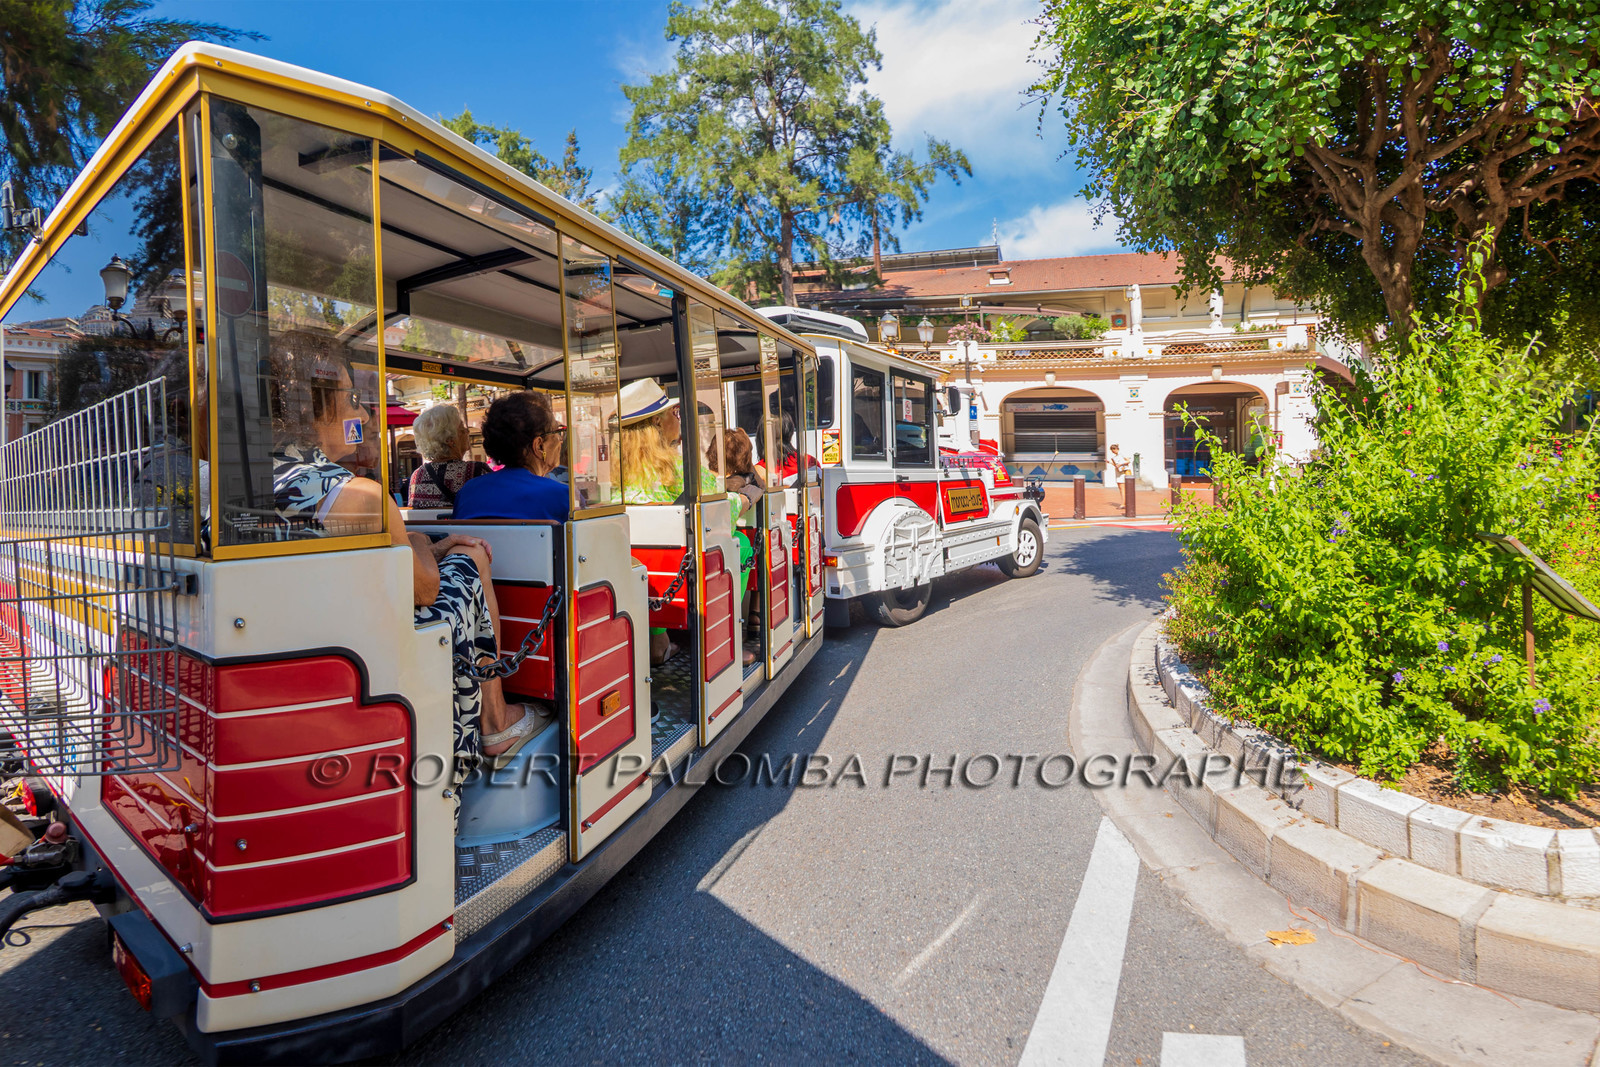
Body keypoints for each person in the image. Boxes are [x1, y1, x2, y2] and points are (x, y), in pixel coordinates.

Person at [265, 332, 549, 767]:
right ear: (315, 407)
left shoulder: (265, 482)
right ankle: (493, 719)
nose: (359, 411)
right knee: (471, 557)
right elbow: (423, 589)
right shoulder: (358, 497)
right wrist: (420, 541)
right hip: (378, 645)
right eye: (351, 397)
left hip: (314, 639)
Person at [619, 377, 722, 664]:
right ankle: (725, 641)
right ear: (657, 424)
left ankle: (656, 637)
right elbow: (718, 504)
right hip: (670, 577)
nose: (679, 420)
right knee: (738, 545)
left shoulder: (614, 472)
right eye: (674, 413)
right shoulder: (677, 468)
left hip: (633, 574)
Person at [453, 391, 570, 522]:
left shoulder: (467, 493)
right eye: (557, 432)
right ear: (539, 446)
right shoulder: (562, 496)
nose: (560, 441)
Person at [712, 428, 762, 665]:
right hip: (713, 566)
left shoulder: (704, 481)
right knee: (741, 543)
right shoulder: (734, 495)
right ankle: (729, 641)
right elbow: (757, 488)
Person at [407, 404, 490, 509]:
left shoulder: (418, 475)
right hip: (466, 525)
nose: (467, 431)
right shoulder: (476, 471)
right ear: (450, 441)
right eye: (462, 429)